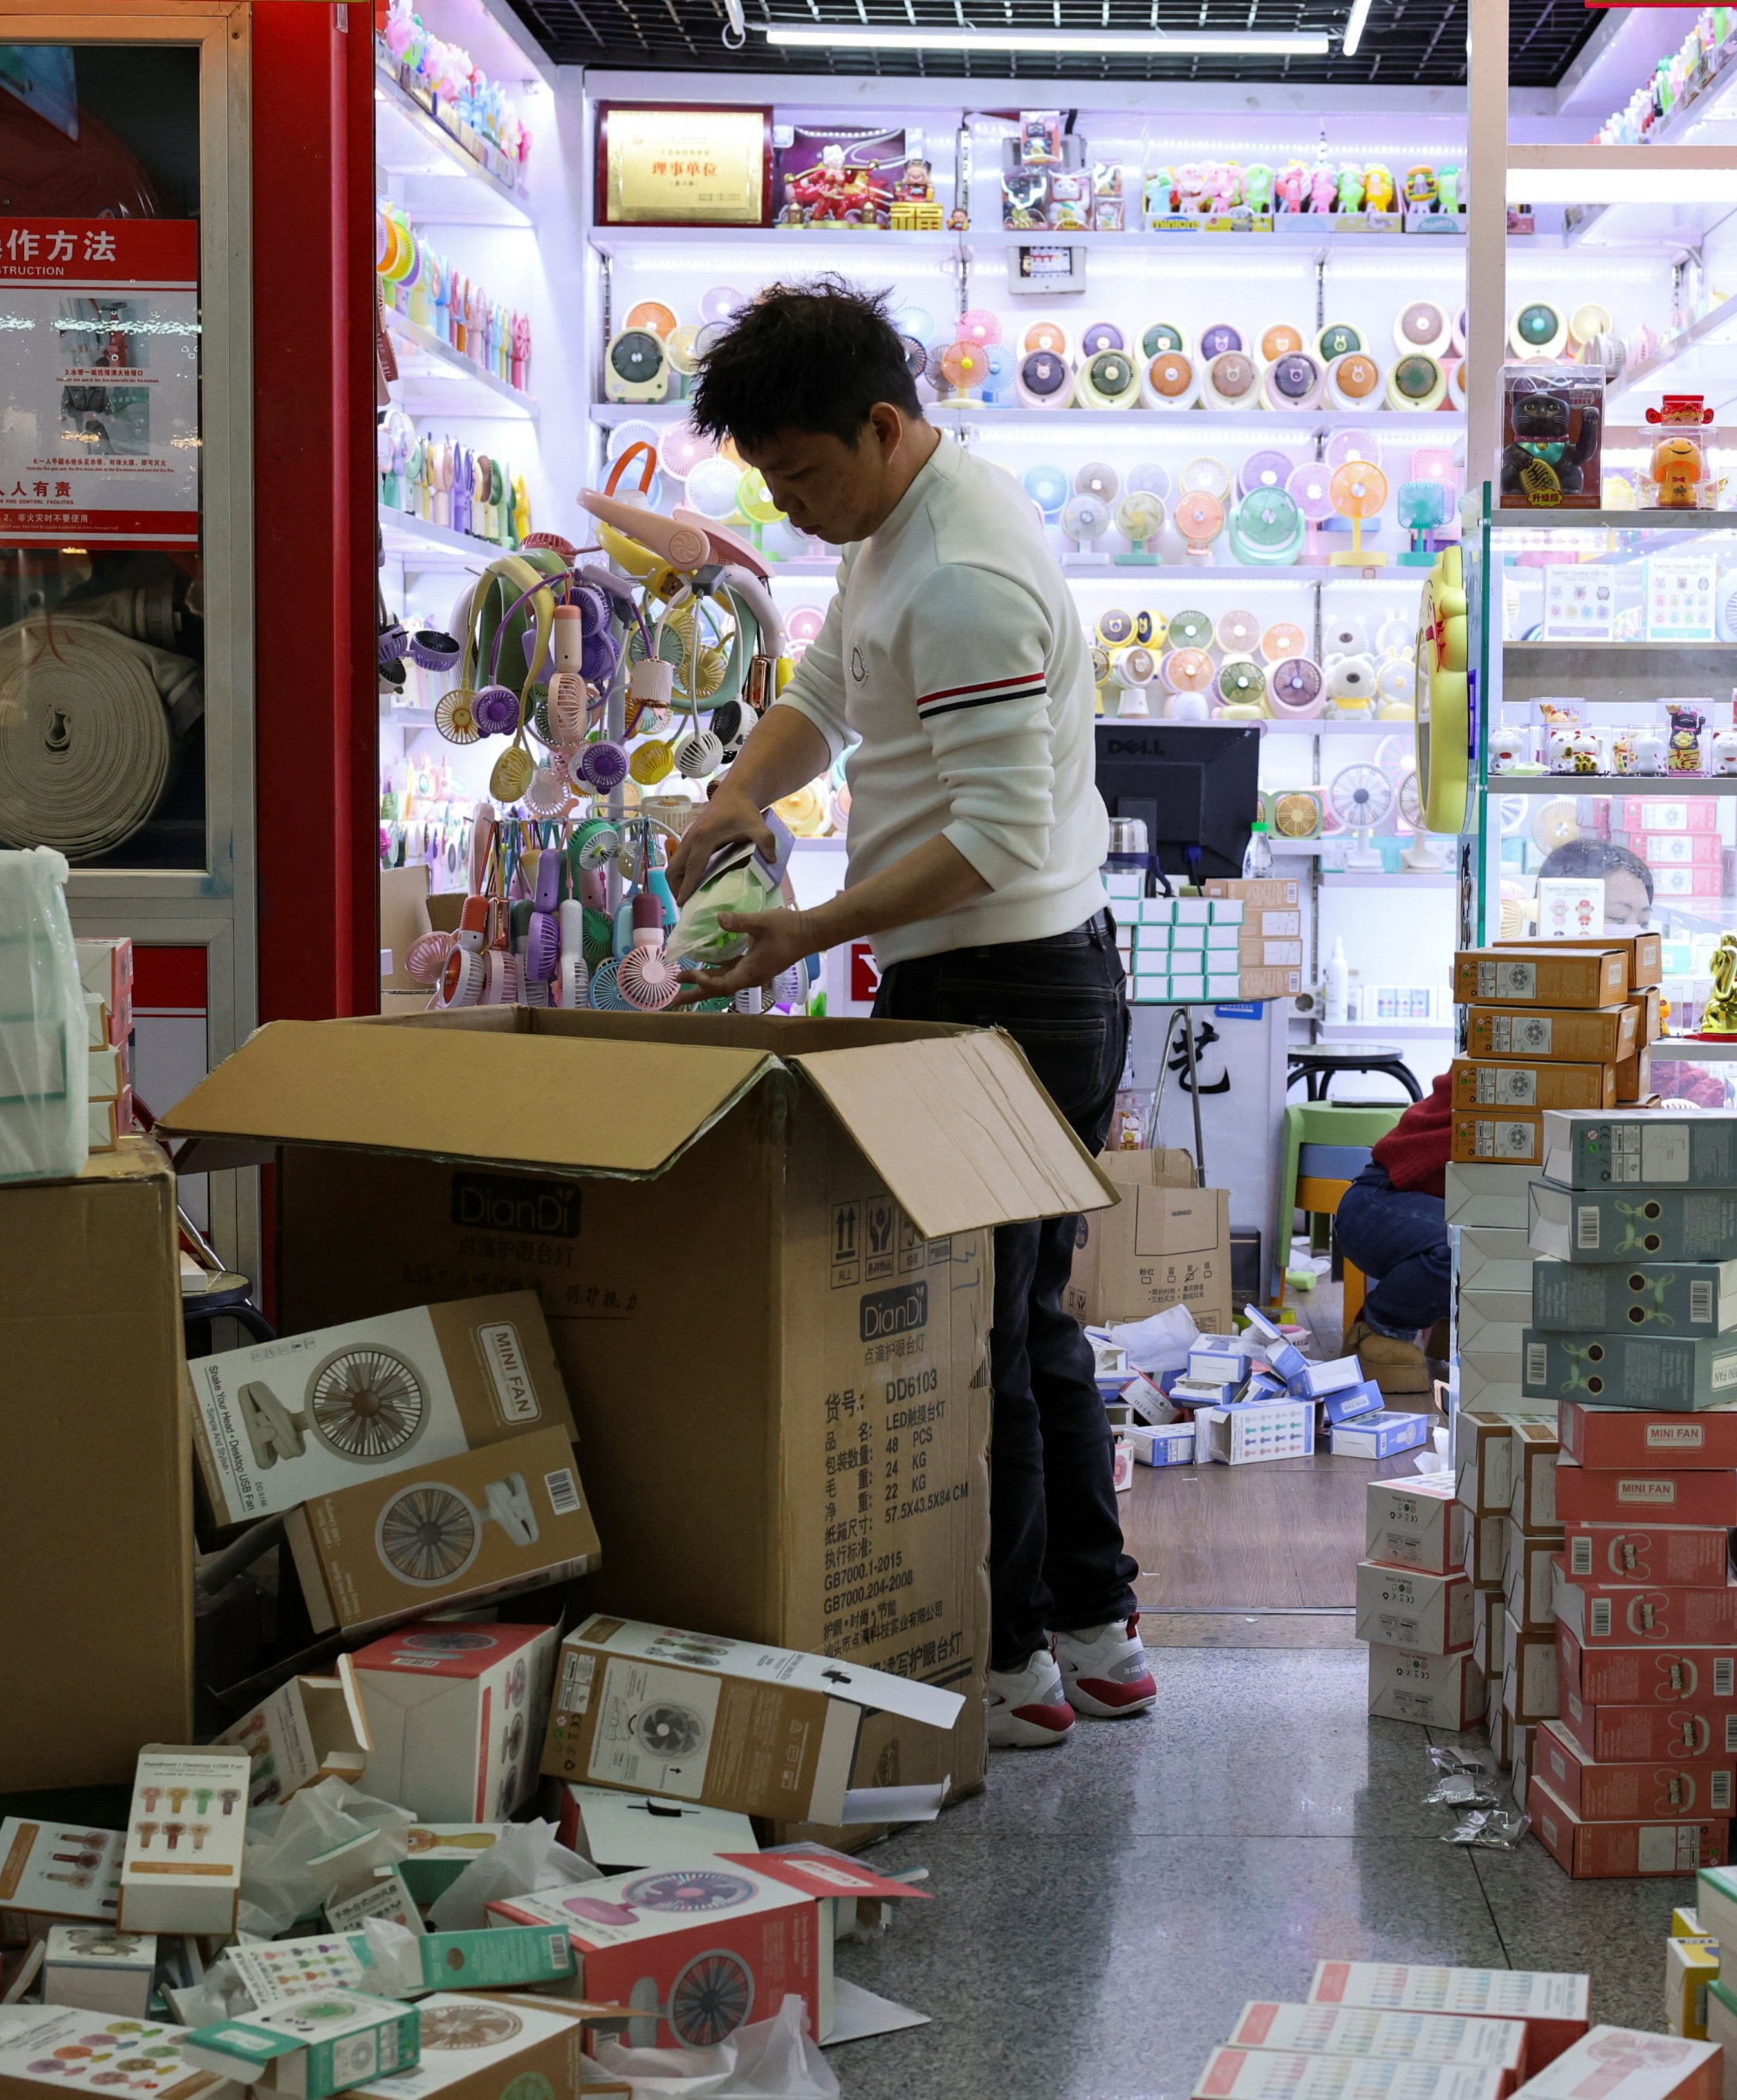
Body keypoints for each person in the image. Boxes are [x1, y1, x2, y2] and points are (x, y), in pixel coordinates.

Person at [668, 279, 1150, 1752]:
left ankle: (1011, 1663)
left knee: (981, 1337)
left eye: (807, 476)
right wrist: (746, 787)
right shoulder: (893, 531)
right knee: (1024, 1320)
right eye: (774, 484)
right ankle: (1094, 1627)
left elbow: (997, 837)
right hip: (981, 976)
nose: (797, 509)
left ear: (884, 427)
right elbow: (827, 682)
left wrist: (807, 932)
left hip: (1009, 987)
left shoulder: (962, 576)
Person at [1333, 1075, 1452, 1394]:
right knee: (1463, 1243)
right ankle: (1382, 1325)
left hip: (1403, 1203)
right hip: (1375, 1202)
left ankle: (1442, 1321)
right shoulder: (1495, 1076)